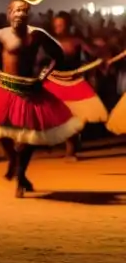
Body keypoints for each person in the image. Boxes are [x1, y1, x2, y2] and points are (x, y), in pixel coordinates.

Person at [0, 0, 83, 197]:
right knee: (1, 133)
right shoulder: (0, 34)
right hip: (6, 89)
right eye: (16, 10)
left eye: (24, 11)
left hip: (31, 89)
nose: (20, 14)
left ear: (28, 14)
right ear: (9, 13)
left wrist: (43, 76)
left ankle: (20, 175)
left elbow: (58, 54)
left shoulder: (37, 34)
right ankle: (13, 159)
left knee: (30, 137)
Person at [45, 12, 106, 160]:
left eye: (61, 24)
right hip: (54, 80)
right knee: (49, 114)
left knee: (72, 118)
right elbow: (41, 59)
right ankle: (59, 144)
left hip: (73, 81)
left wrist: (102, 48)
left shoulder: (76, 40)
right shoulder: (48, 41)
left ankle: (70, 150)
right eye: (56, 24)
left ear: (68, 25)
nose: (58, 27)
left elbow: (94, 52)